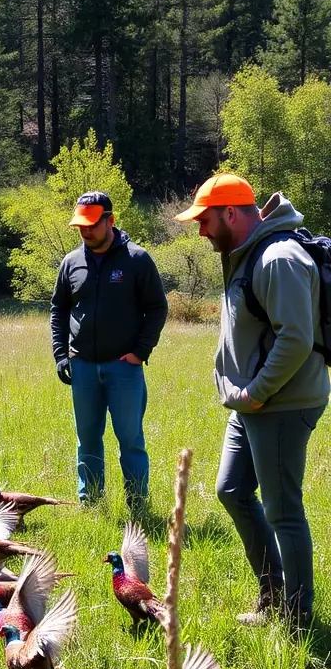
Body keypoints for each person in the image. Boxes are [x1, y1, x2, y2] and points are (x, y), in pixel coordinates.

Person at [175, 173, 329, 627]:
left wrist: (258, 391)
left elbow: (297, 338)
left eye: (204, 220)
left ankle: (297, 617)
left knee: (284, 511)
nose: (200, 230)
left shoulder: (277, 258)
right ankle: (273, 593)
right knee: (232, 490)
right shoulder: (243, 253)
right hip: (252, 405)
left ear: (229, 213)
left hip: (280, 404)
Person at [50, 191, 168, 511]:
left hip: (124, 368)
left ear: (110, 220)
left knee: (130, 440)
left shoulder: (137, 260)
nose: (85, 231)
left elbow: (157, 308)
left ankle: (137, 503)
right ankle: (91, 504)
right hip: (83, 367)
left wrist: (141, 352)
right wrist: (62, 354)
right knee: (87, 439)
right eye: (80, 226)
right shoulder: (71, 263)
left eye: (91, 224)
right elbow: (58, 310)